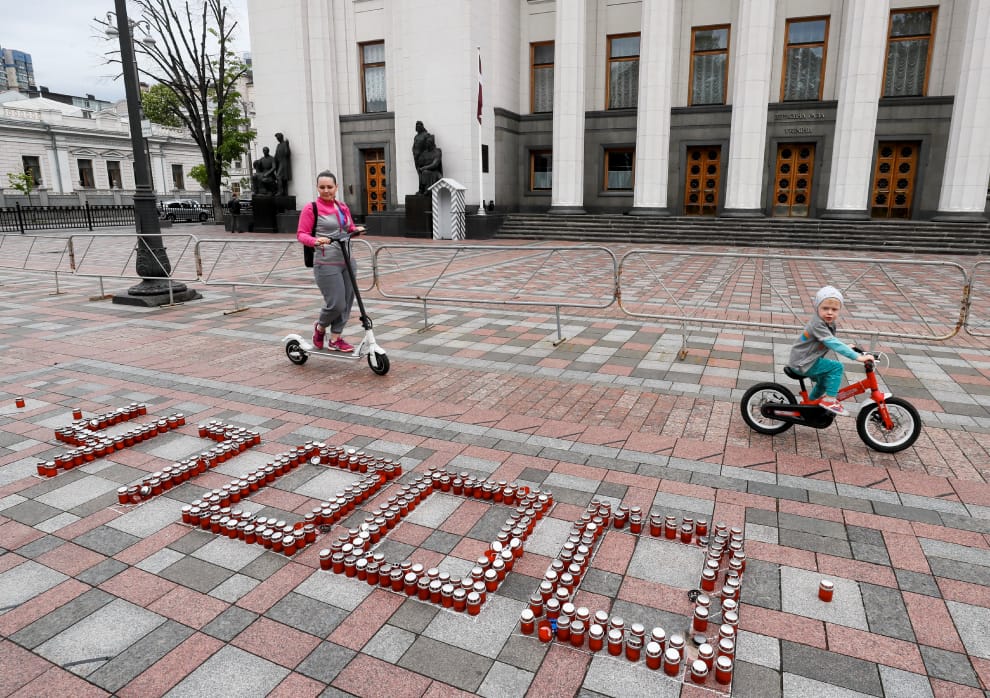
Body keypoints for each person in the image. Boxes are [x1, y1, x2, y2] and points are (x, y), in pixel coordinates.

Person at [297, 171, 366, 352]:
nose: (326, 190)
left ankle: (335, 338)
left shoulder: (342, 207)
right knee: (336, 303)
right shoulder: (311, 208)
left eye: (329, 187)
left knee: (347, 302)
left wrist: (356, 230)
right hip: (326, 263)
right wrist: (315, 241)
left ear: (336, 187)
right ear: (317, 188)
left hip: (348, 261)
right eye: (322, 187)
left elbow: (348, 228)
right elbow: (301, 234)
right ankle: (320, 327)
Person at [787, 286, 874, 416]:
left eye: (834, 309)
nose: (829, 313)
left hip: (805, 360)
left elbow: (830, 340)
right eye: (825, 308)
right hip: (803, 363)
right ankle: (830, 400)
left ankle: (809, 404)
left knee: (824, 382)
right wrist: (857, 357)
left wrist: (846, 347)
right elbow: (831, 342)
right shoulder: (817, 324)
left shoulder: (826, 322)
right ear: (817, 308)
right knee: (836, 367)